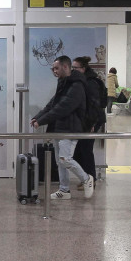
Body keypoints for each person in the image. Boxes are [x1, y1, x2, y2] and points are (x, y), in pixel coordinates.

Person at [31, 55, 94, 200]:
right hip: (60, 127)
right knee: (60, 161)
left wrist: (42, 121)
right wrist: (38, 117)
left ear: (66, 67)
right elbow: (52, 103)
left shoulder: (76, 85)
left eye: (56, 68)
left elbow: (62, 108)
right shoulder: (64, 82)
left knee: (65, 159)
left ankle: (86, 179)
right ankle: (64, 190)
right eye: (52, 68)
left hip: (70, 128)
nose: (54, 71)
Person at [72, 56, 105, 188]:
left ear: (83, 68)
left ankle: (91, 178)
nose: (73, 70)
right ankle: (86, 178)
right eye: (72, 67)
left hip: (91, 120)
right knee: (79, 151)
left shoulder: (90, 83)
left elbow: (94, 105)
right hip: (85, 120)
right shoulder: (82, 80)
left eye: (76, 68)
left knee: (85, 150)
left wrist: (92, 124)